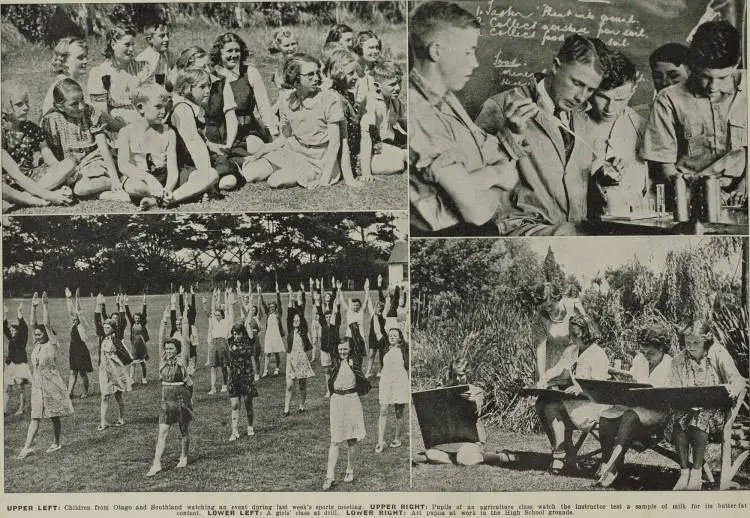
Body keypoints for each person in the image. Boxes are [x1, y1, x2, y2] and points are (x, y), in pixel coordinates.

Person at [409, 1, 525, 236]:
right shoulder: (420, 112)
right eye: (467, 51)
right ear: (436, 52)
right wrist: (496, 175)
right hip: (451, 235)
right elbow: (476, 212)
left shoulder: (446, 98)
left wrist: (514, 133)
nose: (475, 63)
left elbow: (490, 156)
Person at [476, 34, 610, 235]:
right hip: (522, 231)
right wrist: (511, 135)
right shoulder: (501, 106)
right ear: (555, 66)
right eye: (577, 83)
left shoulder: (583, 119)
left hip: (571, 231)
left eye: (591, 90)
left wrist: (601, 178)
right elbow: (472, 181)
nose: (581, 97)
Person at [642, 21, 747, 209]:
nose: (713, 87)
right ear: (693, 65)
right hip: (690, 197)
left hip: (743, 193)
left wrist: (743, 187)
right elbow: (664, 165)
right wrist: (695, 193)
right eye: (705, 76)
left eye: (723, 77)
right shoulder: (667, 100)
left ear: (737, 64)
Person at [241, 54, 349, 189]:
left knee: (275, 181)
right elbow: (285, 137)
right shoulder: (288, 100)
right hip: (294, 151)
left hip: (319, 160)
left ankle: (294, 172)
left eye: (317, 73)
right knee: (250, 174)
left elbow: (335, 144)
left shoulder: (329, 99)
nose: (316, 78)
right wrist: (260, 153)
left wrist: (324, 179)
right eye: (310, 75)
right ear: (296, 80)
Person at [665, 319, 745, 490]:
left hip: (717, 411)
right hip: (688, 408)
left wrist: (732, 391)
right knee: (679, 420)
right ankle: (684, 472)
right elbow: (672, 387)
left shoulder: (718, 353)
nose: (691, 346)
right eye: (688, 342)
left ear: (706, 340)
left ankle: (696, 473)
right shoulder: (678, 360)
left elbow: (738, 380)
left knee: (700, 417)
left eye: (696, 342)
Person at [596, 325, 675, 488]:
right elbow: (633, 381)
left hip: (657, 411)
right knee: (605, 416)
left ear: (662, 349)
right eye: (643, 352)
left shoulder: (670, 364)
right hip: (634, 404)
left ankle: (611, 467)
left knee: (629, 416)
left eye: (651, 353)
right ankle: (607, 461)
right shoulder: (640, 359)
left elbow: (671, 395)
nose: (646, 357)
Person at [536, 314, 609, 474]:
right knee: (541, 404)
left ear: (586, 332)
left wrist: (581, 389)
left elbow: (601, 387)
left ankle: (560, 455)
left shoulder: (598, 354)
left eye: (575, 333)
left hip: (592, 404)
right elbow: (558, 369)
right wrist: (544, 379)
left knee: (550, 408)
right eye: (571, 333)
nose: (572, 337)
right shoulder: (572, 350)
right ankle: (564, 451)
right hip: (575, 402)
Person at [41, 78, 127, 201]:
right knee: (73, 185)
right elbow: (51, 154)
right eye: (74, 104)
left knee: (80, 189)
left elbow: (103, 147)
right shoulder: (50, 120)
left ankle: (119, 181)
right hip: (69, 166)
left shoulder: (90, 112)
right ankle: (105, 193)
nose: (81, 106)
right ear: (60, 107)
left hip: (93, 160)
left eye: (82, 99)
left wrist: (114, 178)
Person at [587, 51, 649, 219]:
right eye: (602, 97)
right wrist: (595, 181)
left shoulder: (643, 128)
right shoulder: (571, 123)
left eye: (620, 99)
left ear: (633, 90)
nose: (610, 108)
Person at [417, 357, 512, 466]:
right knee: (431, 454)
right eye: (455, 374)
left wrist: (473, 402)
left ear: (468, 374)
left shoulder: (476, 391)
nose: (457, 378)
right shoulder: (444, 390)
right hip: (450, 438)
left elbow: (479, 412)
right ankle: (456, 458)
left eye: (461, 375)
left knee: (464, 460)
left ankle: (499, 456)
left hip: (470, 438)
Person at [17, 292, 74, 459]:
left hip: (51, 383)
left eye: (39, 334)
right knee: (35, 415)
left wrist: (45, 305)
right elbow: (33, 324)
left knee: (53, 415)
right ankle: (27, 447)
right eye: (36, 335)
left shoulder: (52, 343)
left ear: (47, 335)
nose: (36, 336)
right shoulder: (38, 344)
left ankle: (56, 442)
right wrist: (33, 306)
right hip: (38, 385)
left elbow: (46, 324)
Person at [2, 81, 75, 207]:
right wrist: (49, 195)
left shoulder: (31, 128)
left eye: (26, 102)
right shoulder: (2, 132)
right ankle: (31, 199)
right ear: (4, 108)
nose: (26, 107)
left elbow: (50, 160)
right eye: (19, 104)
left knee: (69, 163)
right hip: (9, 180)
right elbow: (16, 175)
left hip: (32, 177)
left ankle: (23, 197)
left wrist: (65, 175)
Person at [167, 68, 236, 201]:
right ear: (188, 88)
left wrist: (212, 146)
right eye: (202, 87)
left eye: (209, 85)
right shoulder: (182, 108)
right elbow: (193, 143)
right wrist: (206, 173)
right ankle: (172, 198)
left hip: (191, 159)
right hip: (180, 163)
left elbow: (200, 137)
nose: (208, 90)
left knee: (230, 177)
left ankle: (201, 188)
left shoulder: (192, 106)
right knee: (212, 175)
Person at [208, 33, 278, 157]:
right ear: (219, 53)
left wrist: (274, 133)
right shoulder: (212, 76)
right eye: (229, 51)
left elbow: (264, 107)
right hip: (223, 132)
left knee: (254, 150)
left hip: (247, 130)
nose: (234, 55)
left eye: (237, 51)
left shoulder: (250, 73)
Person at [146, 305, 193, 477]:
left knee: (184, 430)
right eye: (167, 348)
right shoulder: (162, 360)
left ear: (178, 350)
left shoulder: (183, 359)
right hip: (166, 401)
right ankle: (156, 463)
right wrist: (164, 320)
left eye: (171, 348)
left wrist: (186, 317)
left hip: (181, 399)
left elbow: (186, 339)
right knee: (163, 432)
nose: (168, 350)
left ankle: (183, 457)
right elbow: (160, 339)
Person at [117, 82, 178, 210]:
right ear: (140, 108)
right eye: (158, 107)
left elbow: (173, 169)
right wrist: (148, 178)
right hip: (140, 178)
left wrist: (168, 187)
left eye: (165, 107)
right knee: (133, 186)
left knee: (209, 175)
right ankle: (165, 197)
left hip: (163, 177)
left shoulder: (169, 132)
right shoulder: (126, 132)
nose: (163, 111)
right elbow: (123, 165)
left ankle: (159, 198)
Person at [323, 337, 370, 490]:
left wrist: (354, 326)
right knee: (335, 440)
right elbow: (330, 335)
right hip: (336, 401)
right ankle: (330, 476)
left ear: (351, 349)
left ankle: (350, 469)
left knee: (351, 439)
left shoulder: (355, 361)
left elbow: (359, 343)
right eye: (340, 349)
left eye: (345, 349)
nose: (343, 352)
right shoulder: (335, 361)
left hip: (352, 400)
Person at [87, 24, 148, 132]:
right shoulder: (100, 73)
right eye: (127, 45)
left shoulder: (141, 68)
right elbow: (102, 114)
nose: (132, 49)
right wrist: (125, 130)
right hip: (117, 127)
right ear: (113, 44)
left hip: (145, 119)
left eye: (133, 44)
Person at [359, 61, 407, 181]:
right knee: (399, 162)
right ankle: (360, 167)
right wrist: (366, 173)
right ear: (377, 86)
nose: (398, 88)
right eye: (392, 84)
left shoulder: (394, 101)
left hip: (387, 145)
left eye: (399, 82)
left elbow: (395, 125)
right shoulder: (372, 104)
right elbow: (366, 138)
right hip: (370, 150)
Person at [325, 48, 364, 184]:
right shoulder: (336, 99)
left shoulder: (346, 93)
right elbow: (342, 142)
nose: (355, 77)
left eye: (356, 73)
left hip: (355, 151)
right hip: (348, 157)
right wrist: (349, 179)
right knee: (397, 161)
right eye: (351, 73)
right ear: (338, 74)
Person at [94, 294, 132, 430]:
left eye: (108, 328)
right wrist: (99, 305)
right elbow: (96, 320)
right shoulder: (102, 338)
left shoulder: (117, 340)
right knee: (104, 396)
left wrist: (121, 304)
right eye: (104, 328)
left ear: (113, 328)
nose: (105, 329)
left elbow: (127, 357)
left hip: (115, 372)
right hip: (104, 371)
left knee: (118, 396)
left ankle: (121, 418)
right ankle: (103, 422)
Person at [376, 326, 410, 452]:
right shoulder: (385, 349)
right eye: (390, 335)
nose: (392, 337)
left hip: (400, 383)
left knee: (399, 412)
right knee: (383, 410)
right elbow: (377, 330)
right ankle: (380, 440)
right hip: (386, 382)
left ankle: (397, 438)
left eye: (395, 335)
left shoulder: (404, 350)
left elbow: (407, 365)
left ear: (400, 338)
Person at [284, 284, 315, 416]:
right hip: (290, 359)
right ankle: (286, 409)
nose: (296, 321)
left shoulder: (303, 330)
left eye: (298, 320)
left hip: (301, 359)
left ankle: (302, 405)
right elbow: (290, 310)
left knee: (302, 384)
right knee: (290, 385)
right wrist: (291, 293)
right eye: (294, 320)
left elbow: (300, 312)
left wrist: (300, 293)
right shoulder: (290, 330)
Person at [41, 37, 90, 117]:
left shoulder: (79, 85)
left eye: (86, 57)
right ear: (64, 61)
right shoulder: (60, 88)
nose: (85, 61)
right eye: (80, 58)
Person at [227, 323, 258, 441]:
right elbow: (229, 318)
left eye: (238, 334)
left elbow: (248, 324)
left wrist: (249, 310)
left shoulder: (248, 341)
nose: (236, 336)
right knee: (234, 404)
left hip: (246, 375)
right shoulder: (230, 341)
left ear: (243, 333)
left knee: (247, 403)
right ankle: (234, 431)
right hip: (234, 376)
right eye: (235, 334)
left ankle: (250, 426)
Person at [64, 288, 93, 399]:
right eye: (73, 318)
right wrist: (68, 298)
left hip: (81, 351)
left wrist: (77, 299)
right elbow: (70, 311)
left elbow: (78, 311)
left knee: (82, 373)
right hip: (73, 350)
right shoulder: (73, 324)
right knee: (73, 372)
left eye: (76, 318)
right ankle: (69, 393)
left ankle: (85, 392)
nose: (74, 318)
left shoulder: (82, 325)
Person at [4, 302, 31, 416]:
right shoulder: (11, 338)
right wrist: (4, 313)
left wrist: (19, 312)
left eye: (14, 331)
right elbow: (4, 328)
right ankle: (4, 410)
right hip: (10, 365)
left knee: (20, 387)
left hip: (21, 365)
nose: (12, 332)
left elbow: (24, 327)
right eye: (11, 331)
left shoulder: (22, 338)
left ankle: (21, 409)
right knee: (6, 387)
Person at [317, 279, 341, 398]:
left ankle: (336, 388)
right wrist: (318, 292)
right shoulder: (322, 323)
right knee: (327, 371)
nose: (328, 317)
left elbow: (336, 309)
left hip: (334, 349)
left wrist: (337, 290)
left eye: (329, 316)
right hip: (324, 350)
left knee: (336, 369)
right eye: (326, 316)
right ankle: (329, 390)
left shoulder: (334, 324)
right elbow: (319, 309)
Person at [206, 289, 233, 394]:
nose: (217, 316)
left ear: (222, 315)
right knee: (213, 367)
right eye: (215, 315)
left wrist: (227, 295)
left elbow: (227, 309)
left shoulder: (226, 321)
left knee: (224, 366)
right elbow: (213, 309)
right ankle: (213, 387)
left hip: (223, 343)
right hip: (214, 344)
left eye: (218, 315)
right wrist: (214, 297)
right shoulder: (212, 321)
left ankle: (225, 385)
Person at [135, 20, 177, 85]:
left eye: (167, 35)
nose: (167, 39)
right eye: (162, 36)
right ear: (150, 39)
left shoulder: (171, 54)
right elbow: (141, 86)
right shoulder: (143, 59)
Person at [258, 283, 285, 377]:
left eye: (273, 307)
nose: (272, 308)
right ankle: (265, 370)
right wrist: (260, 293)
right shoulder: (268, 314)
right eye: (270, 307)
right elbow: (263, 304)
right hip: (269, 335)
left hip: (277, 335)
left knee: (277, 352)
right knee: (268, 352)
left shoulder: (278, 314)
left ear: (276, 308)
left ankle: (277, 369)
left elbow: (280, 302)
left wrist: (277, 292)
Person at [124, 293, 149, 384]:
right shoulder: (132, 324)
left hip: (142, 345)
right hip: (134, 345)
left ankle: (144, 378)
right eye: (135, 318)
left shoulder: (142, 324)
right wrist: (126, 303)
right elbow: (128, 314)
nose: (137, 319)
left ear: (140, 319)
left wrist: (144, 302)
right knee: (133, 363)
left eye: (138, 318)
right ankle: (131, 379)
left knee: (143, 362)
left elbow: (144, 312)